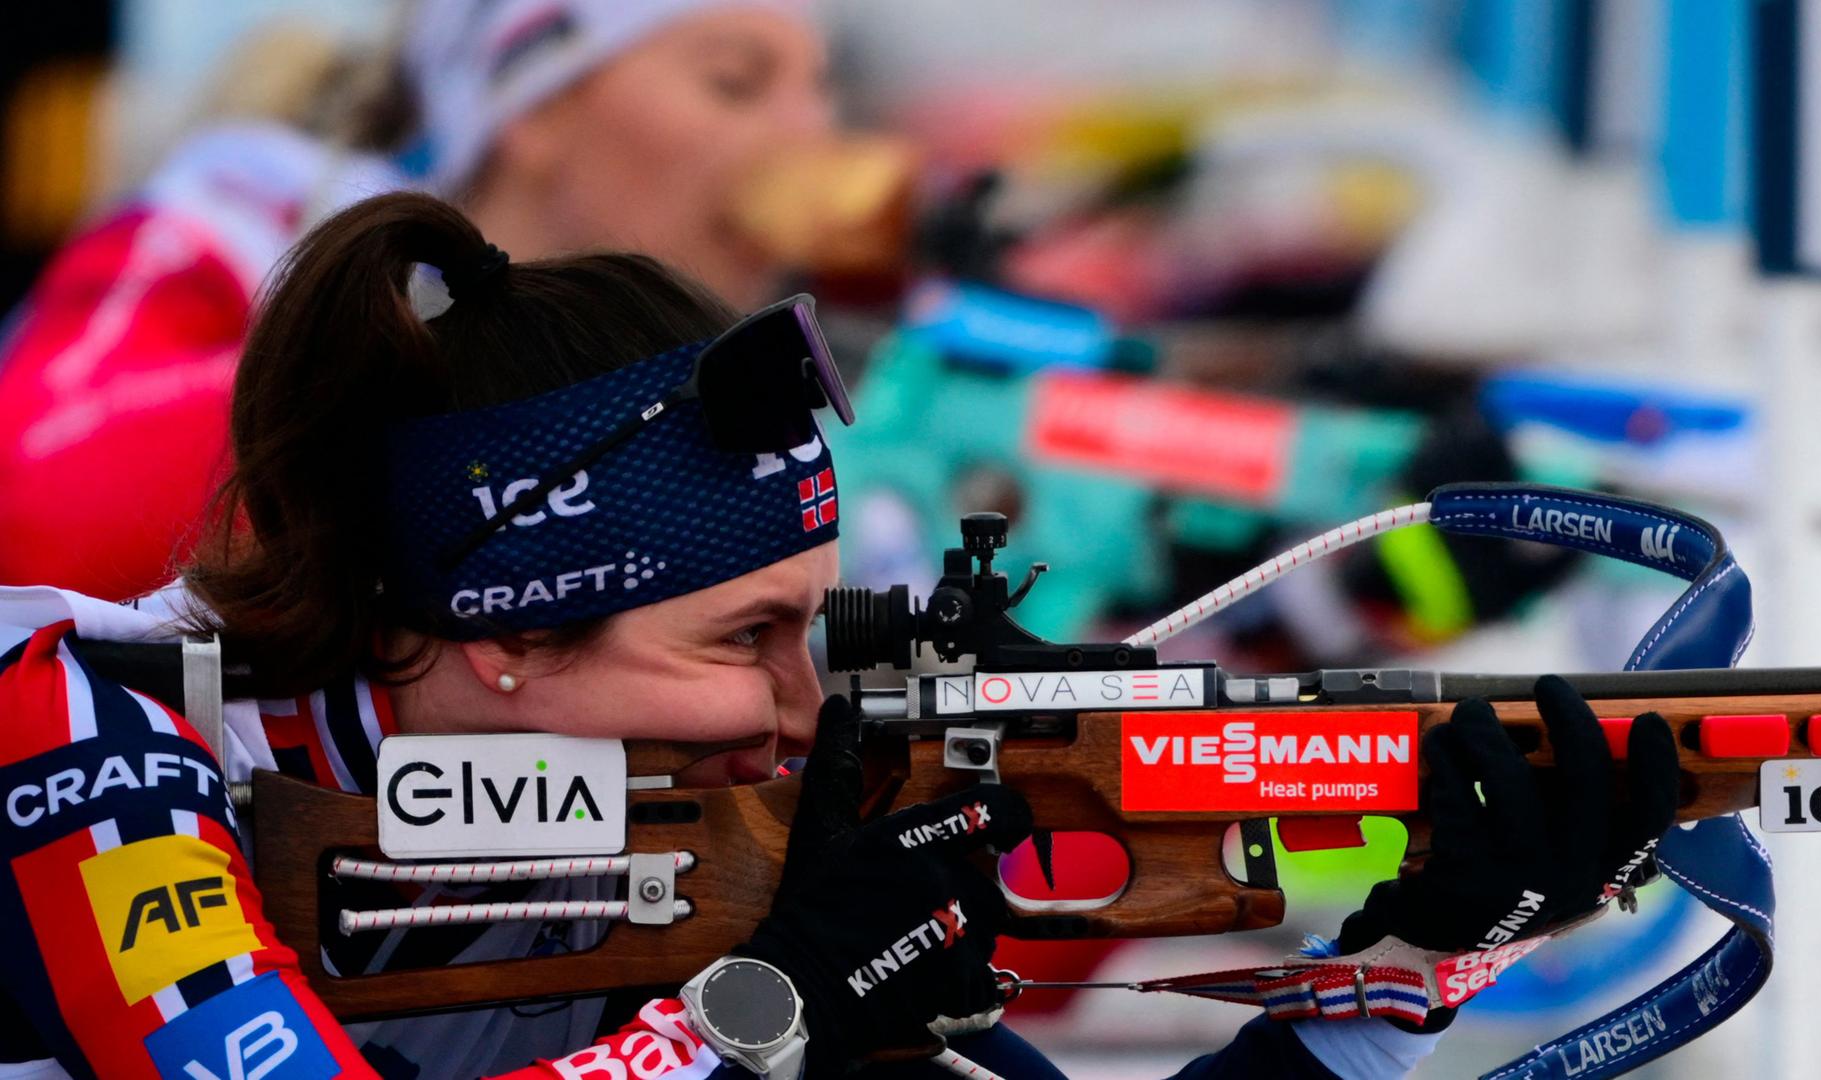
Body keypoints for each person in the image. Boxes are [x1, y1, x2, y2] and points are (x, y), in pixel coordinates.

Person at [0, 190, 1677, 1079]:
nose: (804, 711)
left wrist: (1396, 974)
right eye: (744, 640)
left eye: (815, 633)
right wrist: (771, 1007)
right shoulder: (82, 731)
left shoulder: (656, 849)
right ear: (493, 630)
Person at [0, 0, 838, 600]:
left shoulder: (817, 368)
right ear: (536, 106)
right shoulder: (243, 221)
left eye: (818, 89)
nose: (812, 140)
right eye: (735, 84)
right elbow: (38, 506)